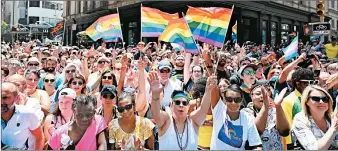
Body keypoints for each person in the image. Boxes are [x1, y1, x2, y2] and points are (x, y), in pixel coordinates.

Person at [149, 72, 217, 150]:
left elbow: (203, 109)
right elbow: (156, 113)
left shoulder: (193, 121)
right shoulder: (166, 120)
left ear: (188, 106)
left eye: (184, 103)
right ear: (171, 105)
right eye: (177, 102)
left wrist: (208, 91)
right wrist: (155, 94)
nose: (181, 105)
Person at [210, 84, 262, 150]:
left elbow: (256, 146)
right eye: (229, 99)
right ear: (225, 100)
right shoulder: (219, 111)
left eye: (237, 99)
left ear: (241, 100)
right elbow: (213, 89)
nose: (233, 103)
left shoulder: (248, 118)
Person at [243, 85, 290, 150]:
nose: (262, 96)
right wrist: (265, 105)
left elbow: (285, 132)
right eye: (258, 94)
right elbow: (257, 131)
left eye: (265, 94)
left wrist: (278, 106)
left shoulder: (275, 111)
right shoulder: (245, 112)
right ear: (251, 96)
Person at [292, 85, 338, 150]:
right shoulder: (300, 119)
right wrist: (333, 129)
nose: (321, 102)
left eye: (325, 99)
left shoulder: (333, 118)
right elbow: (314, 149)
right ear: (306, 101)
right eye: (316, 99)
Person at [1, 82, 44, 150]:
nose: (1, 101)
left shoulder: (27, 113)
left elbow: (39, 138)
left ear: (16, 98)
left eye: (5, 98)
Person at [281, 68, 315, 149]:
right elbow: (286, 130)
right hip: (297, 145)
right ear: (298, 84)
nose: (311, 86)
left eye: (313, 82)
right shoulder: (288, 101)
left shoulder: (314, 98)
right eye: (307, 83)